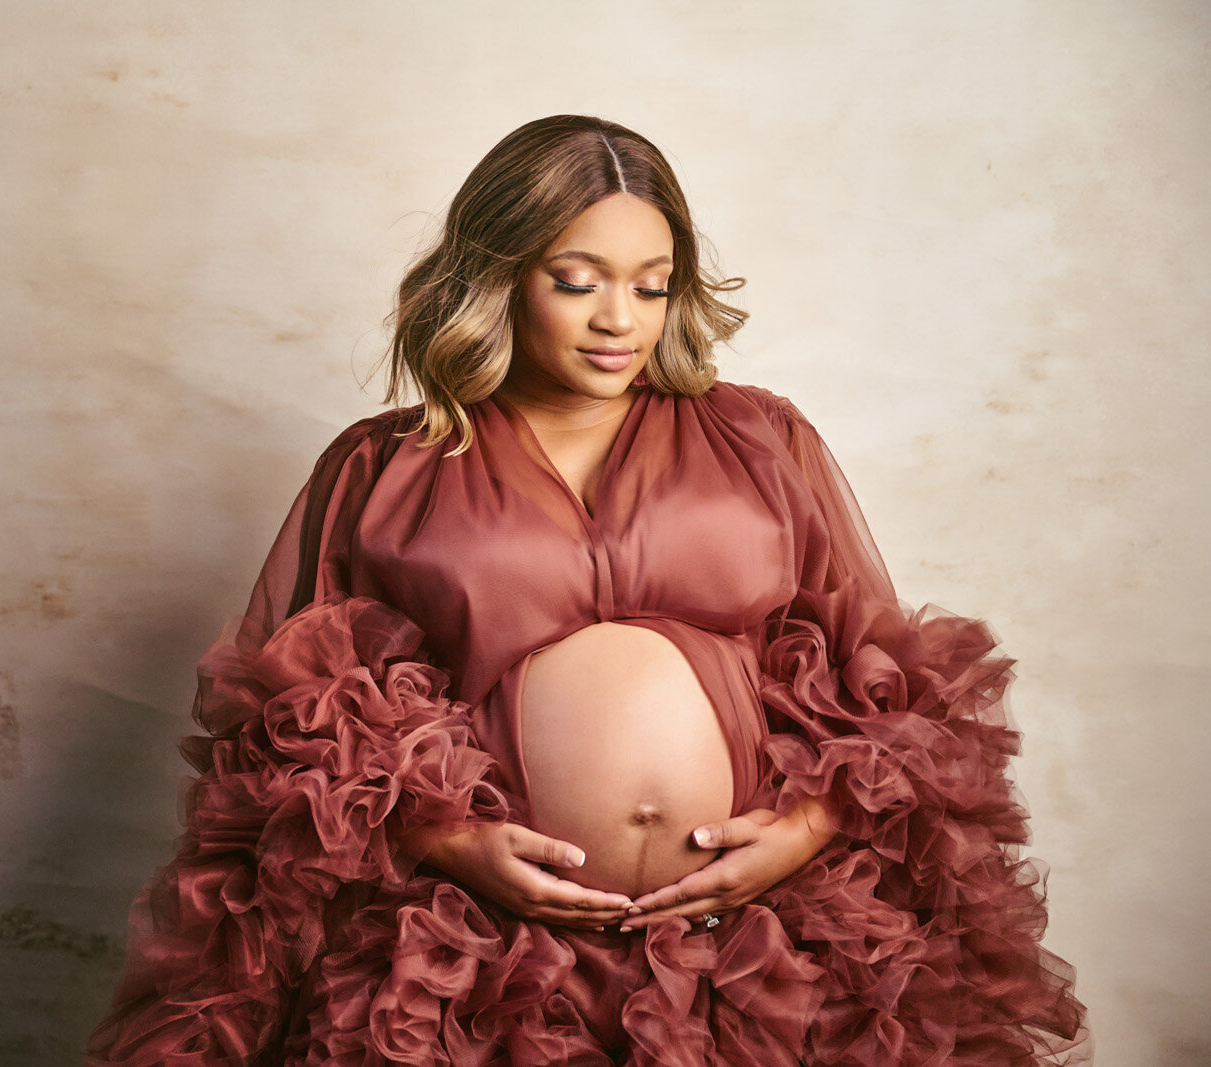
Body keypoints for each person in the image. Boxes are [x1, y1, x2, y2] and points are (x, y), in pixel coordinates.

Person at [86, 115, 1087, 1065]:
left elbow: (886, 685)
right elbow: (290, 716)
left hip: (757, 942)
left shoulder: (760, 439)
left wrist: (805, 827)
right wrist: (446, 836)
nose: (621, 319)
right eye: (578, 280)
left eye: (652, 286)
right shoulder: (382, 465)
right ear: (497, 278)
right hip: (478, 950)